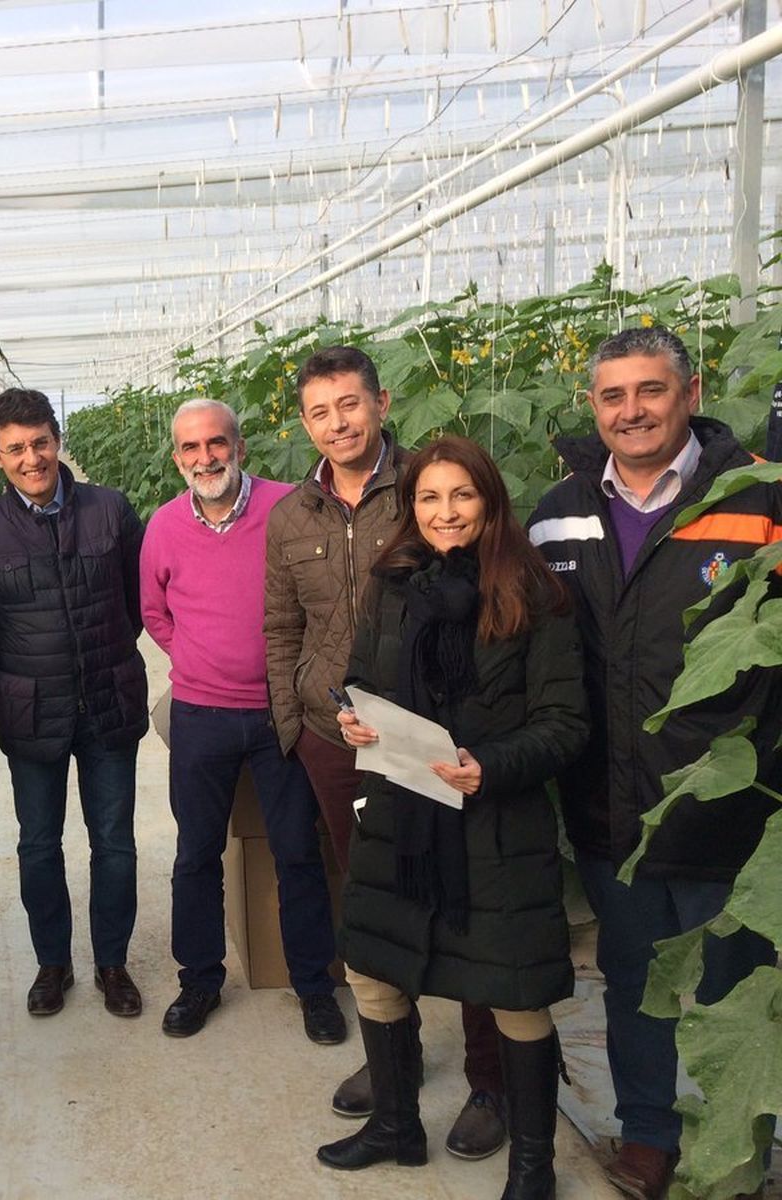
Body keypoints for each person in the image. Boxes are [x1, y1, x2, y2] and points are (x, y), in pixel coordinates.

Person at [528, 325, 782, 1200]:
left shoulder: (758, 496)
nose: (631, 411)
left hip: (728, 800)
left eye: (650, 391)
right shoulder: (558, 511)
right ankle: (648, 1132)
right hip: (608, 801)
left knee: (730, 989)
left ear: (691, 391)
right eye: (613, 396)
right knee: (632, 976)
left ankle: (737, 1140)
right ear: (592, 406)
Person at [316, 436, 586, 1200]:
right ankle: (396, 1125)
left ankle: (532, 1167)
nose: (444, 513)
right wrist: (353, 717)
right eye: (429, 499)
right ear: (413, 508)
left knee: (515, 991)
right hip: (402, 812)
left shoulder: (533, 597)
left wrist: (489, 767)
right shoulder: (392, 583)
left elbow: (566, 723)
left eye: (461, 496)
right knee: (375, 965)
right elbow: (360, 678)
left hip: (494, 823)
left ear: (490, 503)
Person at [265, 346, 508, 1159]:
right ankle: (393, 1068)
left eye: (350, 406)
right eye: (319, 412)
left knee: (464, 897)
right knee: (373, 901)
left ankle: (488, 1080)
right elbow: (280, 626)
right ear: (303, 422)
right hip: (339, 738)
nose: (337, 424)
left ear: (380, 403)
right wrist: (292, 725)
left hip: (434, 732)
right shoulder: (292, 515)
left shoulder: (425, 490)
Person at [140, 397, 345, 1042]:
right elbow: (154, 611)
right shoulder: (165, 526)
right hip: (200, 714)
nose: (206, 458)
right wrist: (202, 660)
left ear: (241, 446)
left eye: (217, 443)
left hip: (282, 711)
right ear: (177, 459)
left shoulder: (288, 508)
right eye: (192, 449)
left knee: (296, 851)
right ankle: (198, 980)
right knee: (196, 852)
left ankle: (313, 985)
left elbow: (324, 598)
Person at [0, 387, 147, 1018]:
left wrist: (103, 651)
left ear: (57, 441)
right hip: (32, 706)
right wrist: (26, 668)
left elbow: (136, 602)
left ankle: (112, 964)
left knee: (114, 841)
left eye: (40, 442)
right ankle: (52, 964)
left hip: (108, 698)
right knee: (39, 843)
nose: (31, 458)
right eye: (15, 449)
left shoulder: (110, 510)